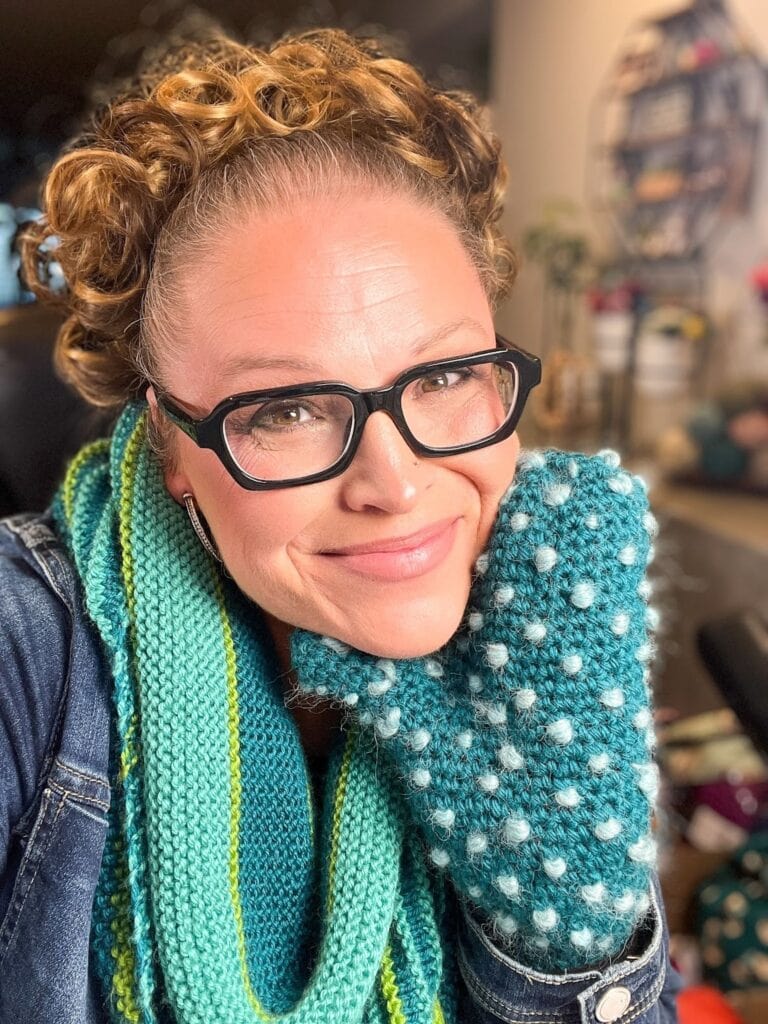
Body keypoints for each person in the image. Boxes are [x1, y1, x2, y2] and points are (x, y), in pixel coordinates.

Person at [0, 27, 680, 1024]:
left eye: (444, 377)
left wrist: (562, 933)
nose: (395, 483)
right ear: (175, 445)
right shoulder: (26, 654)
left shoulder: (544, 618)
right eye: (284, 409)